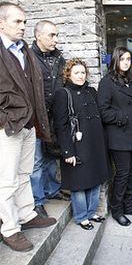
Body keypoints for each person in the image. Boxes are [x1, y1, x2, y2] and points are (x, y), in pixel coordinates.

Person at [0, 2, 57, 252]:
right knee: (7, 180)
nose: (23, 26)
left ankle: (26, 215)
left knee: (24, 175)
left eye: (24, 21)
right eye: (17, 22)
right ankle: (10, 229)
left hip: (28, 124)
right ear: (1, 23)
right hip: (8, 126)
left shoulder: (24, 50)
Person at [53, 59, 108, 230]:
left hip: (95, 143)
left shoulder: (91, 91)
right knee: (79, 183)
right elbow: (60, 126)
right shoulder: (63, 94)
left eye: (83, 72)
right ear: (68, 74)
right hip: (76, 145)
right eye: (76, 73)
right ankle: (81, 216)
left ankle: (91, 212)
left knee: (94, 179)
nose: (80, 76)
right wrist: (67, 152)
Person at [98, 47, 132, 226]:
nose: (126, 62)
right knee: (122, 174)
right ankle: (117, 210)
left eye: (128, 59)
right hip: (119, 136)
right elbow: (103, 111)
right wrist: (124, 117)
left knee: (131, 173)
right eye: (123, 59)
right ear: (116, 60)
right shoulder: (107, 82)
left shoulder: (131, 80)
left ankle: (128, 205)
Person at [30, 20, 69, 219]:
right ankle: (37, 201)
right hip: (36, 118)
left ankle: (52, 190)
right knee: (36, 162)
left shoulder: (58, 58)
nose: (56, 39)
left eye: (56, 35)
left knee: (52, 157)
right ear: (39, 36)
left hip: (55, 118)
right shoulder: (28, 57)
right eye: (51, 35)